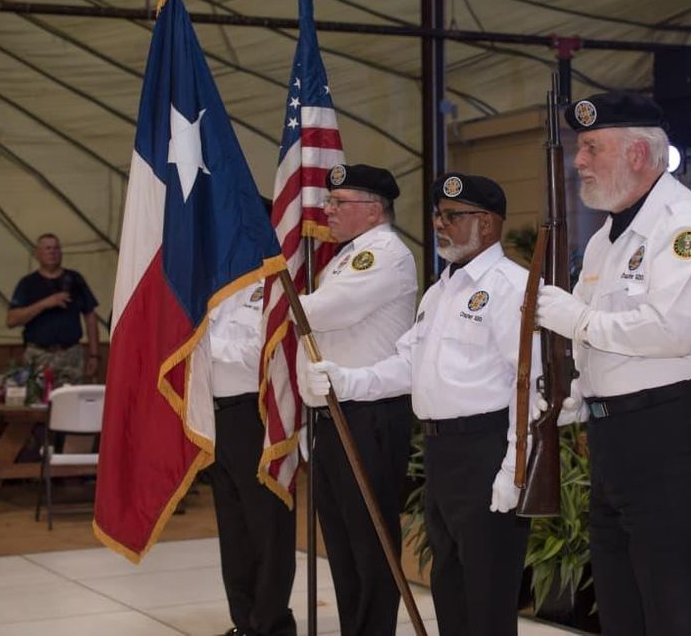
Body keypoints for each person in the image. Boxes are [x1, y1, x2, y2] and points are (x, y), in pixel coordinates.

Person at [534, 89, 691, 635]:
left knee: (676, 601)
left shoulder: (686, 226)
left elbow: (672, 332)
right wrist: (580, 389)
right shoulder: (605, 240)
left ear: (638, 153)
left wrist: (576, 320)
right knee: (621, 601)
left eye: (591, 148)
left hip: (679, 425)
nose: (578, 161)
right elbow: (610, 337)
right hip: (621, 432)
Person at [302, 173, 536, 636]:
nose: (439, 225)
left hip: (488, 448)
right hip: (441, 452)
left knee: (488, 591)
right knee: (449, 582)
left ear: (487, 225)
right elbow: (408, 363)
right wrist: (346, 381)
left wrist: (516, 466)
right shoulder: (440, 290)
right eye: (437, 215)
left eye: (453, 216)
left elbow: (533, 386)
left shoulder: (512, 286)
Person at [296, 163, 418, 636]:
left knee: (369, 541)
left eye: (337, 203)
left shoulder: (384, 253)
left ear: (372, 210)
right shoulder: (345, 257)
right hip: (338, 409)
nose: (326, 210)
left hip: (372, 412)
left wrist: (274, 299)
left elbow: (323, 311)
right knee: (342, 539)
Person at [210, 274, 297, 636]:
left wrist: (204, 345)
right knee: (233, 529)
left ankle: (272, 623)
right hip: (216, 415)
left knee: (267, 525)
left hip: (255, 413)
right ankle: (244, 621)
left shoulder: (272, 287)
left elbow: (258, 354)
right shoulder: (219, 288)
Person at [6, 233, 100, 386]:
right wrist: (45, 304)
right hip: (38, 356)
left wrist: (95, 355)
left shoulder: (75, 279)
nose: (52, 252)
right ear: (37, 254)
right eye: (47, 248)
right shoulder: (27, 284)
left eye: (56, 248)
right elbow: (11, 320)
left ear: (61, 253)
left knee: (71, 404)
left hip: (71, 356)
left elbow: (90, 316)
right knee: (36, 404)